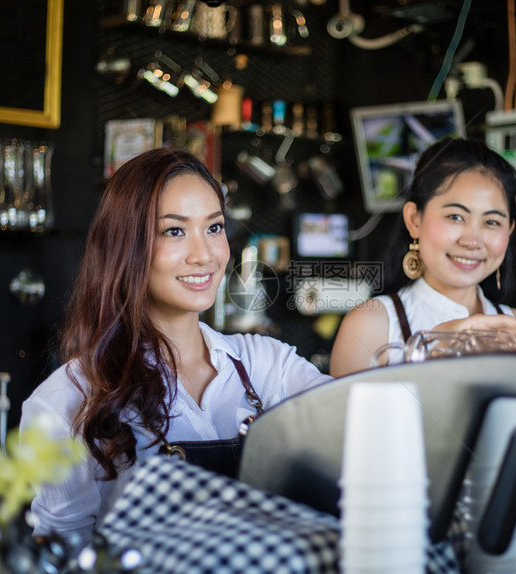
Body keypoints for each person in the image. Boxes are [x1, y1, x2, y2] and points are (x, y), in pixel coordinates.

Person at [20, 148, 332, 542]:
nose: (204, 255)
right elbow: (61, 555)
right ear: (125, 245)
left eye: (215, 228)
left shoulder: (268, 364)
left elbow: (357, 430)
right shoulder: (67, 400)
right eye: (174, 230)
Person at [330, 137, 516, 377]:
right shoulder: (370, 325)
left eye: (492, 222)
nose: (472, 240)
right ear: (414, 220)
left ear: (509, 231)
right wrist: (432, 348)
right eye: (455, 217)